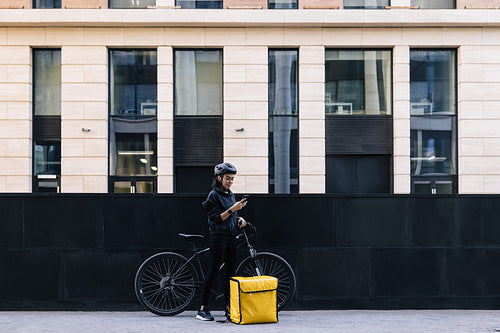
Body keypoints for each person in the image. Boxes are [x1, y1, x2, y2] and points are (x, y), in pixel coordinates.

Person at [196, 162, 247, 321]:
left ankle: (228, 308)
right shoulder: (214, 195)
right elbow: (216, 219)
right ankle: (202, 309)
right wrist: (233, 209)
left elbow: (229, 215)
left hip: (231, 235)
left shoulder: (230, 194)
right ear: (219, 178)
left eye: (232, 179)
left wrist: (239, 218)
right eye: (227, 178)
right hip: (218, 236)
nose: (230, 181)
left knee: (231, 274)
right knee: (212, 271)